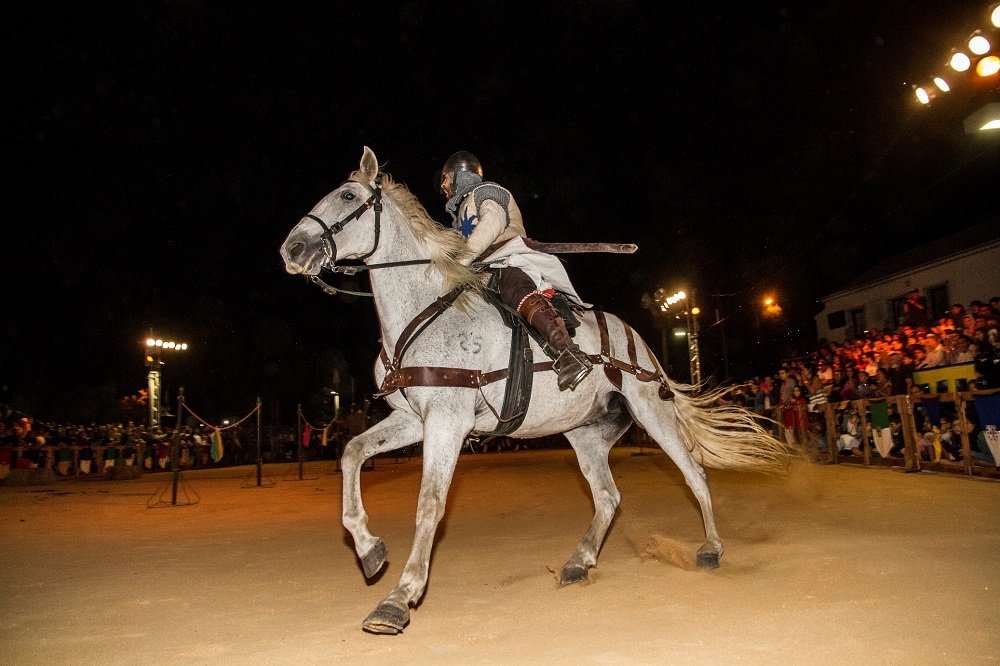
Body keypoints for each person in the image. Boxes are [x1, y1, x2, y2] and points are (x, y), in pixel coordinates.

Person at [440, 151, 591, 390]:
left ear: (461, 175)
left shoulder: (486, 192)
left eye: (447, 178)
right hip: (480, 271)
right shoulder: (459, 217)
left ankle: (568, 354)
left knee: (514, 287)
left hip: (509, 259)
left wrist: (462, 261)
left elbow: (493, 222)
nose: (444, 185)